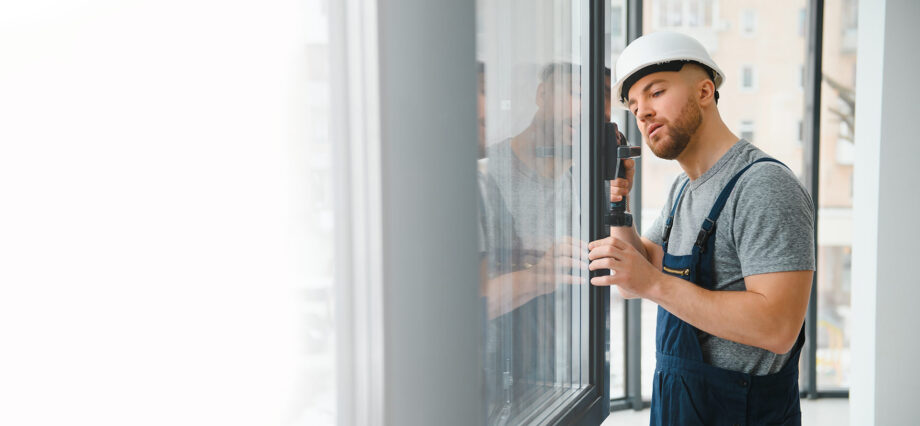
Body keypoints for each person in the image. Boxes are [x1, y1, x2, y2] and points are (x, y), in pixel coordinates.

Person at [587, 31, 815, 425]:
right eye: (635, 105)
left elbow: (779, 327)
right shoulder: (682, 191)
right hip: (679, 407)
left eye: (655, 92)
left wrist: (654, 284)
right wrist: (618, 205)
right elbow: (633, 277)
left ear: (705, 91)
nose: (642, 112)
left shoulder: (762, 185)